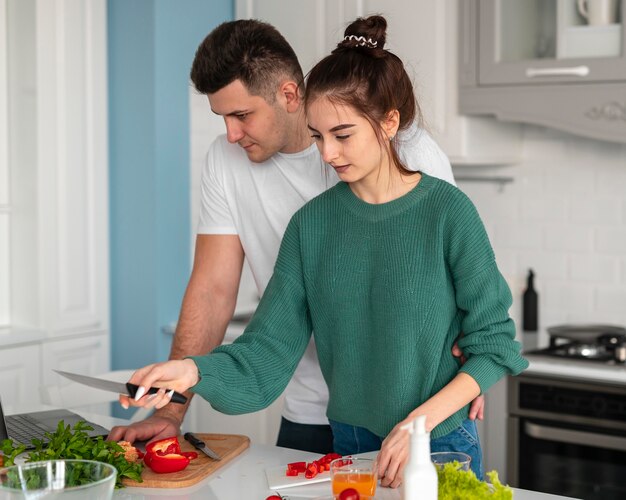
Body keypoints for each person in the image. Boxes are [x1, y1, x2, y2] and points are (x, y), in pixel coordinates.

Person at [120, 15, 528, 487]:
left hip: (436, 440)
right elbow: (266, 349)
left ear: (390, 122)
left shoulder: (446, 208)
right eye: (318, 137)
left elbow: (491, 339)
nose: (329, 154)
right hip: (347, 438)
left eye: (343, 135)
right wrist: (189, 372)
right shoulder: (310, 225)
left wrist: (439, 406)